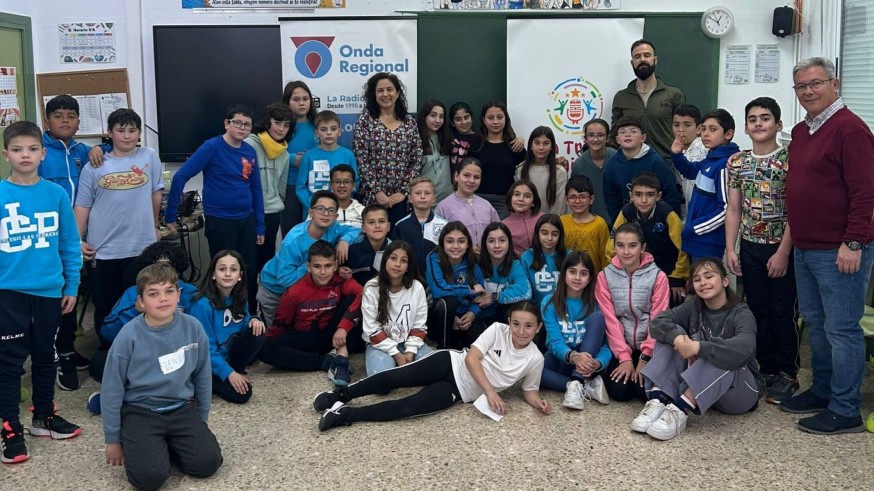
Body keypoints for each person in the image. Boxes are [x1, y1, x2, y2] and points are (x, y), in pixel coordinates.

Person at [781, 57, 874, 435]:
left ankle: (845, 407)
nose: (808, 92)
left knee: (841, 329)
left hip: (840, 250)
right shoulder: (804, 131)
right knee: (816, 325)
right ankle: (822, 390)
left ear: (834, 84)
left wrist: (853, 242)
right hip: (807, 248)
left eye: (816, 84)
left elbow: (866, 192)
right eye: (801, 87)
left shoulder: (850, 130)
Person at [313, 300, 550, 432]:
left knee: (409, 407)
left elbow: (529, 389)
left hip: (459, 391)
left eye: (528, 326)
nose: (520, 331)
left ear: (538, 327)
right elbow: (471, 358)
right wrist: (490, 391)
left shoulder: (535, 358)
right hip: (450, 362)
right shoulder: (498, 329)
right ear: (509, 322)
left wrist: (538, 402)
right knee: (398, 377)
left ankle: (344, 415)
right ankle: (342, 393)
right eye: (516, 324)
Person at [0, 121, 82, 464]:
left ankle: (43, 415)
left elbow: (69, 244)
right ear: (6, 155)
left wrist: (72, 284)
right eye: (17, 149)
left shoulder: (56, 194)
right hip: (9, 293)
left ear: (42, 153)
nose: (25, 155)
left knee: (46, 355)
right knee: (9, 364)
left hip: (50, 290)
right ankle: (10, 427)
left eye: (32, 149)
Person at [101, 263, 222, 490]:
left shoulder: (193, 327)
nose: (163, 299)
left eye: (169, 291)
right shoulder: (128, 336)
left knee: (207, 464)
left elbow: (203, 375)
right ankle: (147, 446)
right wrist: (113, 439)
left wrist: (202, 419)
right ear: (141, 302)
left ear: (179, 295)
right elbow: (112, 389)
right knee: (150, 479)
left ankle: (166, 444)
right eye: (153, 294)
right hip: (140, 411)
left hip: (182, 408)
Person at [73, 108, 163, 389]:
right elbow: (83, 206)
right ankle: (110, 355)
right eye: (121, 130)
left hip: (141, 248)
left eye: (132, 130)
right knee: (106, 306)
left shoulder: (149, 157)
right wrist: (77, 240)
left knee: (140, 304)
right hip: (104, 250)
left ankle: (141, 356)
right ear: (110, 133)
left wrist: (155, 226)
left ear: (139, 134)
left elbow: (155, 193)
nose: (127, 135)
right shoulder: (94, 166)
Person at [631, 258, 762, 441]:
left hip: (740, 393)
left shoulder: (741, 313)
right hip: (706, 390)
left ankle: (679, 411)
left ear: (725, 280)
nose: (703, 283)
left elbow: (744, 347)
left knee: (723, 351)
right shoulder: (694, 306)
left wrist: (698, 347)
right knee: (672, 333)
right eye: (698, 279)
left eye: (709, 276)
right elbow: (657, 324)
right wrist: (678, 339)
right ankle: (658, 400)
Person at [725, 97, 798, 405]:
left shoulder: (790, 159)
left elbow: (796, 210)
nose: (758, 123)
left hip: (782, 247)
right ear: (745, 126)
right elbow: (734, 208)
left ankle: (787, 373)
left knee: (782, 312)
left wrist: (783, 252)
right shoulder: (738, 162)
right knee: (757, 310)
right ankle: (765, 369)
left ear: (778, 125)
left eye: (765, 118)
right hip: (750, 249)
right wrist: (731, 249)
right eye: (752, 118)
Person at [164, 103, 265, 306]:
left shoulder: (250, 151)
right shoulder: (211, 147)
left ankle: (248, 312)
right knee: (222, 270)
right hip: (220, 220)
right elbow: (181, 177)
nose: (242, 128)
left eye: (247, 125)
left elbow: (256, 189)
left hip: (247, 219)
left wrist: (260, 225)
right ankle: (220, 310)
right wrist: (170, 215)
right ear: (227, 124)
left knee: (248, 269)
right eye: (238, 122)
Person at [40, 95, 108, 388]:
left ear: (79, 121)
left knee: (88, 294)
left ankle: (76, 348)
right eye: (58, 115)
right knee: (64, 300)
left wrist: (98, 146)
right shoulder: (39, 154)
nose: (65, 120)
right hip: (57, 242)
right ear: (47, 121)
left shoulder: (85, 152)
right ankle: (62, 354)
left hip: (89, 238)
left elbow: (113, 150)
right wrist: (70, 241)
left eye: (71, 115)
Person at [89, 241, 197, 387]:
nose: (161, 272)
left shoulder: (191, 293)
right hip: (140, 354)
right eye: (155, 266)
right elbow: (108, 333)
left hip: (176, 353)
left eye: (166, 267)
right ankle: (137, 391)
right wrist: (135, 311)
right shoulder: (134, 292)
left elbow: (201, 333)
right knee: (100, 361)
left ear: (177, 270)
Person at [259, 241, 364, 386]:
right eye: (317, 266)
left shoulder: (340, 281)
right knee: (265, 349)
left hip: (335, 334)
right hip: (306, 337)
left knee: (355, 300)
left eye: (327, 266)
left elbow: (363, 294)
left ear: (335, 265)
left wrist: (343, 328)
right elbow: (278, 329)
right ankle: (326, 362)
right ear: (308, 267)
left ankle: (340, 356)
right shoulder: (294, 293)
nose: (322, 272)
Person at [257, 190, 360, 327]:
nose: (325, 214)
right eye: (320, 209)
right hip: (274, 290)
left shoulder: (333, 227)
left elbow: (356, 231)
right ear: (311, 212)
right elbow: (284, 280)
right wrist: (311, 266)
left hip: (302, 291)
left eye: (331, 210)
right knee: (275, 334)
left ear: (336, 216)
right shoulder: (294, 241)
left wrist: (344, 241)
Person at [596, 222, 669, 402]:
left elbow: (658, 319)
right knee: (620, 393)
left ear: (642, 247)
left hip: (649, 345)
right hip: (621, 345)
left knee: (645, 394)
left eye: (632, 245)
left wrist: (645, 356)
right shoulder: (605, 276)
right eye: (620, 245)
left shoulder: (658, 276)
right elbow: (610, 319)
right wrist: (624, 358)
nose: (626, 252)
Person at [189, 251, 266, 404]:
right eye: (222, 269)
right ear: (213, 274)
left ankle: (234, 372)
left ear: (240, 275)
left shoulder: (238, 298)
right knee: (243, 394)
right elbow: (204, 350)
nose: (228, 274)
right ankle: (205, 383)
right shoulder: (203, 306)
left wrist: (254, 319)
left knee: (258, 331)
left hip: (227, 357)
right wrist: (228, 373)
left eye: (233, 269)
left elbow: (244, 322)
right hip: (205, 363)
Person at [541, 252, 611, 410]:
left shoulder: (597, 303)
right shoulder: (549, 302)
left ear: (590, 278)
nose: (577, 277)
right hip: (564, 356)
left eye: (583, 273)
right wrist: (574, 356)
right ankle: (581, 386)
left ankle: (577, 381)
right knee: (532, 373)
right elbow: (554, 342)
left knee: (598, 318)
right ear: (564, 273)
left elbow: (607, 345)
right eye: (572, 271)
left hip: (587, 361)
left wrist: (598, 363)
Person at [609, 172, 689, 307]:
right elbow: (612, 246)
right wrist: (618, 273)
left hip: (668, 270)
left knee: (672, 306)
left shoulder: (667, 214)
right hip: (637, 270)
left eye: (650, 195)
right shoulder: (626, 212)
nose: (644, 200)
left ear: (658, 196)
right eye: (638, 194)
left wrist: (677, 279)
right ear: (631, 196)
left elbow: (684, 248)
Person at [669, 108, 740, 262]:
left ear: (728, 134)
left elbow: (725, 209)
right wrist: (676, 154)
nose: (705, 134)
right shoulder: (712, 157)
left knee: (708, 282)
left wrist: (694, 228)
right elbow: (690, 171)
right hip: (697, 240)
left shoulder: (723, 165)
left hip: (708, 242)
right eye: (703, 129)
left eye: (713, 129)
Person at [352, 72, 423, 224]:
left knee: (399, 244)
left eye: (390, 89)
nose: (385, 94)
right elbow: (360, 159)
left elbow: (416, 159)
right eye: (380, 90)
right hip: (372, 197)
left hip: (402, 200)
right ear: (374, 94)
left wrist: (403, 192)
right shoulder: (365, 121)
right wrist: (377, 191)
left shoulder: (409, 122)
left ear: (397, 93)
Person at [244, 102, 293, 303]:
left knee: (266, 263)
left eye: (286, 125)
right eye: (277, 122)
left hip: (272, 214)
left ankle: (262, 307)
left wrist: (273, 203)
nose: (281, 129)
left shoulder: (285, 154)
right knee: (248, 263)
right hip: (249, 214)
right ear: (267, 122)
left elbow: (281, 189)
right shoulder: (248, 144)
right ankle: (247, 306)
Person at [361, 241, 432, 376]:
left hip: (409, 341)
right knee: (380, 380)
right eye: (393, 258)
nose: (397, 264)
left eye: (403, 260)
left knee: (433, 371)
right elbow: (372, 330)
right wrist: (397, 355)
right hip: (380, 345)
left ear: (408, 266)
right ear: (385, 260)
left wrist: (410, 353)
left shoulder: (416, 287)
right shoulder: (371, 287)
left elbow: (419, 326)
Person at [611, 39, 685, 160]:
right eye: (637, 56)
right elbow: (615, 134)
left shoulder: (673, 94)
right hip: (631, 163)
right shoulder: (621, 97)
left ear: (655, 60)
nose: (642, 59)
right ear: (632, 63)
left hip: (666, 162)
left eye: (647, 55)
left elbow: (682, 131)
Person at [603, 116, 681, 224]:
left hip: (657, 224)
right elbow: (611, 199)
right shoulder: (612, 164)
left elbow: (670, 195)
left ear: (643, 138)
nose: (627, 134)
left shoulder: (656, 161)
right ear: (617, 140)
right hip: (627, 225)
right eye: (623, 132)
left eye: (633, 131)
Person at [425, 221, 487, 349]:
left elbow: (480, 295)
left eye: (461, 241)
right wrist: (468, 289)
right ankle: (443, 348)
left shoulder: (472, 264)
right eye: (450, 241)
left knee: (479, 338)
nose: (455, 246)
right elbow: (438, 290)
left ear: (468, 244)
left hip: (463, 313)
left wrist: (471, 313)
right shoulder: (433, 258)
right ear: (442, 243)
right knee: (449, 301)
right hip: (439, 313)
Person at [471, 101, 527, 217]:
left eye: (500, 117)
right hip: (478, 199)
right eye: (491, 118)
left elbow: (534, 164)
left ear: (506, 119)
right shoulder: (475, 144)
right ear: (484, 120)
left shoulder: (514, 146)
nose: (495, 122)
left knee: (502, 234)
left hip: (505, 202)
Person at [296, 110, 358, 211]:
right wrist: (313, 205)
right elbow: (300, 187)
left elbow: (355, 183)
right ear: (316, 133)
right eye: (323, 129)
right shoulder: (309, 156)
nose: (329, 133)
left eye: (333, 129)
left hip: (341, 209)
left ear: (339, 131)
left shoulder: (348, 155)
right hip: (314, 211)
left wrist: (343, 203)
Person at [434, 157, 500, 250]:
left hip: (484, 262)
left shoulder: (486, 206)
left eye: (476, 177)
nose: (471, 181)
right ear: (456, 176)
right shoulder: (443, 207)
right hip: (457, 261)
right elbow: (436, 240)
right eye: (466, 175)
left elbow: (497, 233)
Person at [281, 80, 319, 234]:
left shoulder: (318, 124)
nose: (302, 103)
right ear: (287, 102)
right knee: (292, 233)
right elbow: (270, 150)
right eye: (296, 100)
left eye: (305, 99)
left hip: (315, 186)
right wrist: (291, 159)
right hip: (290, 185)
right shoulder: (281, 125)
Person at [477, 222, 532, 325]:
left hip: (503, 318)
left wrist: (494, 297)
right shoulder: (477, 265)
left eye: (502, 240)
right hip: (479, 315)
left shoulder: (515, 265)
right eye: (491, 241)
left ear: (509, 243)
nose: (497, 245)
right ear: (485, 244)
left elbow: (525, 291)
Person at [392, 176, 448, 275]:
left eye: (427, 193)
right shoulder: (400, 226)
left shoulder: (444, 225)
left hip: (438, 277)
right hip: (409, 278)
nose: (422, 196)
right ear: (410, 198)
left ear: (434, 198)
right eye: (418, 193)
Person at [520, 214, 569, 312]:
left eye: (555, 234)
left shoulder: (569, 256)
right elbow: (525, 289)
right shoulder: (527, 256)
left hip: (563, 311)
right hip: (535, 311)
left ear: (560, 235)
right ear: (537, 233)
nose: (549, 238)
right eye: (544, 233)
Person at [560, 175, 610, 273]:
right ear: (566, 200)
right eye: (572, 197)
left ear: (591, 199)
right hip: (567, 277)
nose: (577, 201)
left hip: (594, 278)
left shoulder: (600, 224)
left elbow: (606, 256)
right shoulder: (561, 222)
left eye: (583, 197)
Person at [515, 126, 568, 216]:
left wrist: (548, 224)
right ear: (531, 146)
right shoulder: (521, 169)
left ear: (552, 146)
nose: (541, 147)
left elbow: (559, 207)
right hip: (526, 221)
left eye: (546, 143)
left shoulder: (559, 172)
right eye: (537, 143)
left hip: (550, 224)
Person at [571, 118, 616, 222]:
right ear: (585, 139)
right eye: (591, 135)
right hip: (590, 223)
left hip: (618, 221)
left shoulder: (617, 158)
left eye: (600, 135)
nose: (595, 139)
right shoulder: (579, 164)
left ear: (607, 138)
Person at [341, 205, 391, 286]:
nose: (377, 226)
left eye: (381, 221)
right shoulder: (351, 251)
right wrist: (340, 270)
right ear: (363, 228)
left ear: (388, 226)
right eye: (371, 222)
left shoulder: (395, 250)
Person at [671, 104, 708, 209]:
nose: (681, 130)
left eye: (687, 125)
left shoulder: (706, 148)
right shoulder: (675, 151)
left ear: (698, 129)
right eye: (676, 125)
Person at [417, 99, 453, 203]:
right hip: (425, 202)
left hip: (448, 201)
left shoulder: (447, 140)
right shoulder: (416, 141)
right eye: (433, 115)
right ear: (424, 116)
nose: (438, 120)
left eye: (441, 116)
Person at [502, 179, 544, 258]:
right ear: (510, 198)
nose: (521, 199)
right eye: (516, 195)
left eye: (527, 196)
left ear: (533, 202)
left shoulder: (543, 218)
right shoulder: (503, 225)